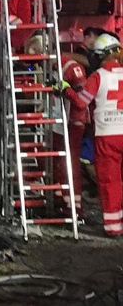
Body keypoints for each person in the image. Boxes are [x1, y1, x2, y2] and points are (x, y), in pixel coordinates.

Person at [65, 33, 123, 237]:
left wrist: (66, 90)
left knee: (110, 181)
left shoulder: (98, 76)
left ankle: (114, 227)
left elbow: (81, 102)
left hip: (107, 135)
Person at [26, 33, 87, 213]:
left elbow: (82, 100)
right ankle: (60, 199)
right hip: (58, 121)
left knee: (70, 163)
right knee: (55, 161)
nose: (37, 63)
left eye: (38, 57)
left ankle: (74, 206)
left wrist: (65, 90)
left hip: (73, 122)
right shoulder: (50, 68)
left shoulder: (71, 67)